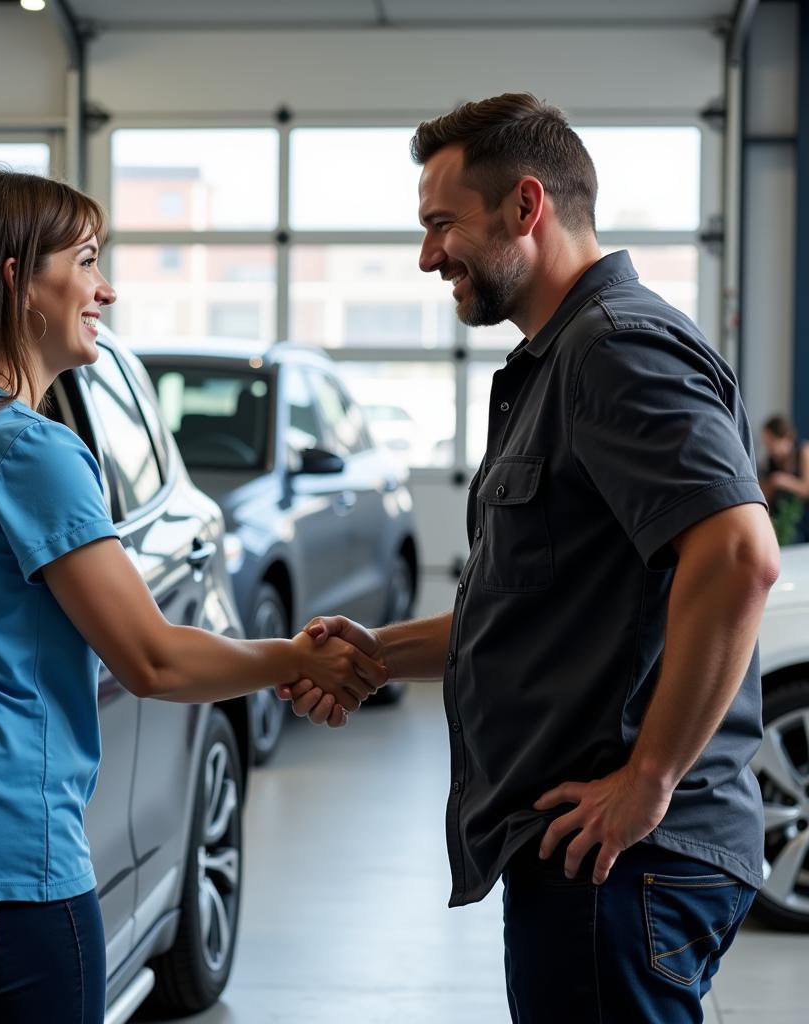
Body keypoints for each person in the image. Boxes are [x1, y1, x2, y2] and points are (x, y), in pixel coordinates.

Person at [0, 167, 384, 1024]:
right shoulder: (30, 450)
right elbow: (148, 658)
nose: (105, 289)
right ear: (15, 279)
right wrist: (297, 658)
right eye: (87, 260)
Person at [281, 93, 780, 1023]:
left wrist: (650, 780)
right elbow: (545, 606)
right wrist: (375, 651)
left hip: (623, 860)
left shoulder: (615, 352)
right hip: (590, 855)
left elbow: (740, 555)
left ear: (525, 206)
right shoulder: (563, 361)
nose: (429, 256)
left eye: (442, 224)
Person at [759, 413, 809, 544]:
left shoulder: (803, 451)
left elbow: (806, 489)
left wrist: (782, 481)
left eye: (772, 442)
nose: (770, 449)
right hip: (782, 518)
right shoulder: (771, 460)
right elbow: (765, 494)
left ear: (786, 438)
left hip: (801, 517)